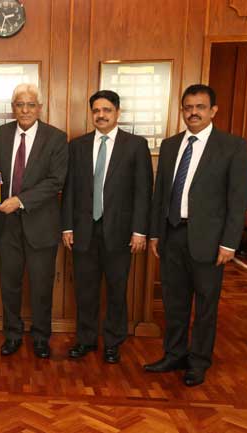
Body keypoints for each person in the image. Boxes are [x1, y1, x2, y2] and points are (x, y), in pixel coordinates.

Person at [144, 84, 247, 386]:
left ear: (213, 110)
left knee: (205, 305)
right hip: (172, 235)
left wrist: (229, 243)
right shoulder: (170, 145)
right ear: (182, 110)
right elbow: (160, 194)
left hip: (210, 240)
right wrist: (155, 233)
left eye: (200, 107)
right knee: (174, 302)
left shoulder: (232, 147)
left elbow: (238, 199)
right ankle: (174, 354)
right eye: (188, 107)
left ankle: (199, 361)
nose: (193, 112)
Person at [61, 90, 153, 363]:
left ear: (117, 112)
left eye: (107, 110)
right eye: (96, 111)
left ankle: (113, 342)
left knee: (116, 290)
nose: (101, 115)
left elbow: (143, 191)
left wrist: (139, 231)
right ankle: (86, 340)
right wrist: (67, 227)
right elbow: (69, 190)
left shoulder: (135, 145)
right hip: (84, 231)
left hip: (120, 233)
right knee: (85, 290)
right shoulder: (77, 146)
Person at [0, 83, 68, 359]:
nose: (25, 110)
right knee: (9, 285)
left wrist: (19, 200)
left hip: (41, 225)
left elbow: (56, 181)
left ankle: (41, 337)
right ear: (13, 108)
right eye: (20, 105)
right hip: (6, 225)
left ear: (39, 108)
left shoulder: (56, 138)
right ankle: (12, 335)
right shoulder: (0, 135)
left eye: (31, 105)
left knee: (42, 286)